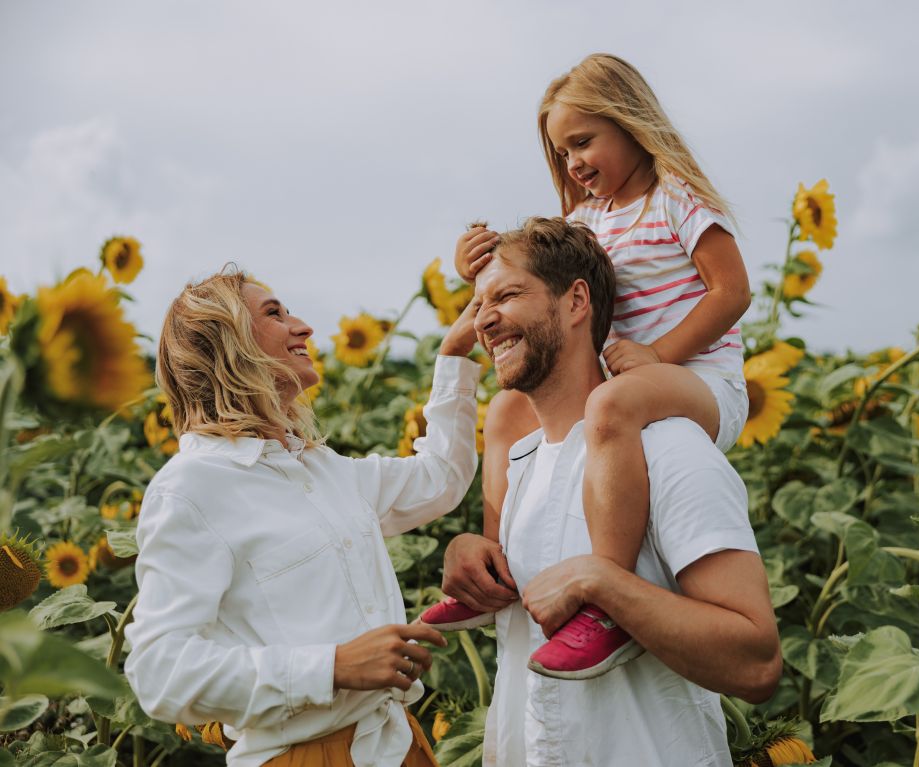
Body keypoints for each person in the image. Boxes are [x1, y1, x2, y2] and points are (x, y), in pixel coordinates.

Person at [425, 53, 753, 679]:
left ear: (631, 124)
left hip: (702, 381)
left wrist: (659, 355)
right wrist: (480, 264)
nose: (573, 162)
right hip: (627, 380)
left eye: (583, 142)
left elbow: (731, 292)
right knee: (506, 410)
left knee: (609, 406)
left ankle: (607, 594)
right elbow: (543, 268)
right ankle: (497, 564)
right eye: (562, 151)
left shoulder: (676, 200)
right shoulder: (588, 219)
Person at [439, 218, 780, 765]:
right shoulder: (520, 460)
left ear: (576, 301)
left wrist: (605, 584)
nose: (485, 319)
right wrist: (476, 557)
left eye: (506, 295)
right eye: (478, 305)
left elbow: (756, 662)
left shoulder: (668, 450)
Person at [124, 267, 481, 767]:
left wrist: (453, 357)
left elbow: (442, 477)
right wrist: (332, 667)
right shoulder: (191, 488)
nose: (304, 327)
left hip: (399, 745)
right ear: (226, 344)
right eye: (275, 314)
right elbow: (159, 672)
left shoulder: (320, 469)